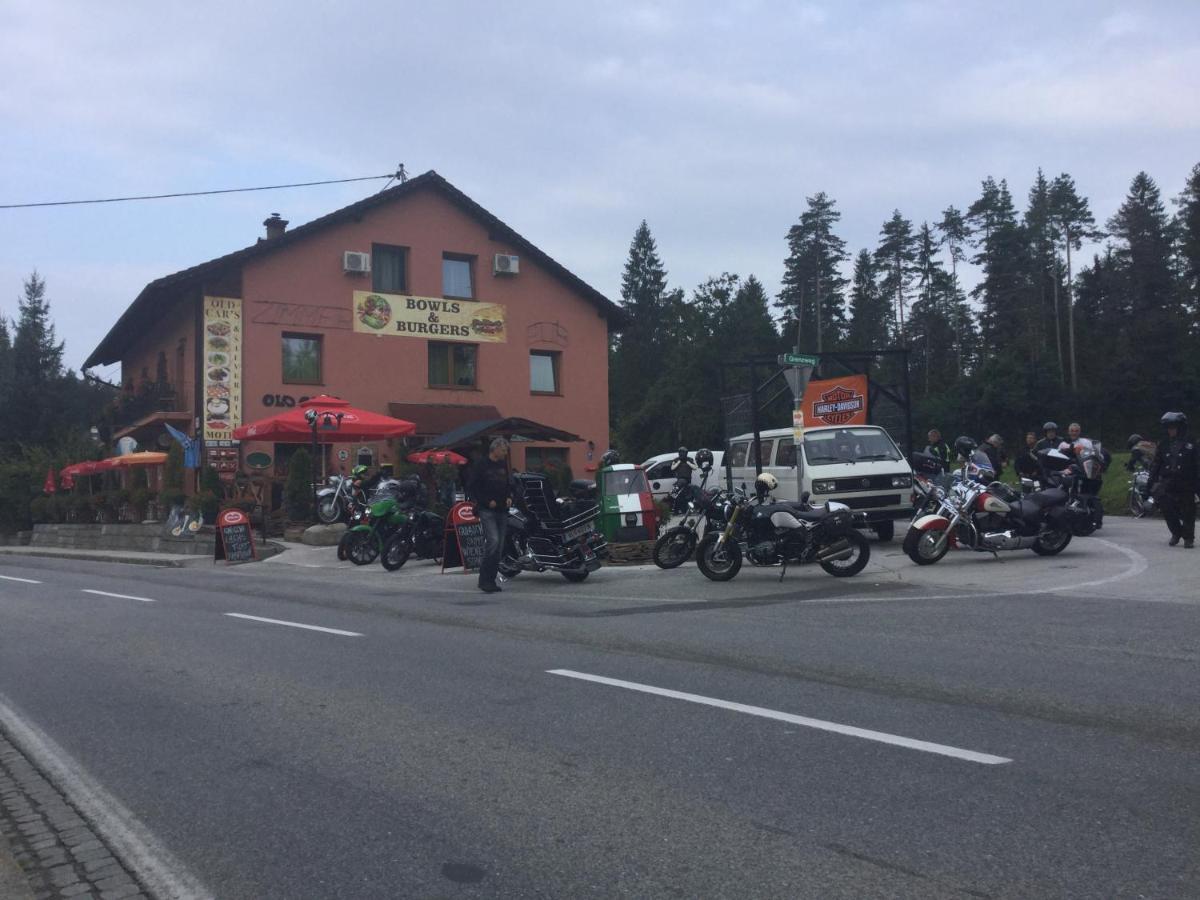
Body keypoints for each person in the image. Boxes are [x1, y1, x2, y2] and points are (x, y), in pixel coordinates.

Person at [467, 438, 513, 592]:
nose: (505, 453)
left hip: (502, 509)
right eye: (504, 450)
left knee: (499, 546)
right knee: (492, 541)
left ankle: (491, 580)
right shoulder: (481, 464)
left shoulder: (502, 465)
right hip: (487, 509)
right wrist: (485, 501)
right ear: (495, 449)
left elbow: (507, 483)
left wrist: (509, 497)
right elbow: (473, 486)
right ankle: (484, 579)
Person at [1147, 412, 1197, 548]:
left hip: (1187, 481)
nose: (1170, 430)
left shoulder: (1191, 443)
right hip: (1168, 481)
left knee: (1188, 510)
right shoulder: (1163, 444)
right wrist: (1150, 481)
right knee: (1166, 506)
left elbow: (1197, 464)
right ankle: (1176, 532)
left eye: (1173, 427)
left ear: (1180, 427)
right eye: (1168, 427)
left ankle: (1188, 538)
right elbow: (1156, 464)